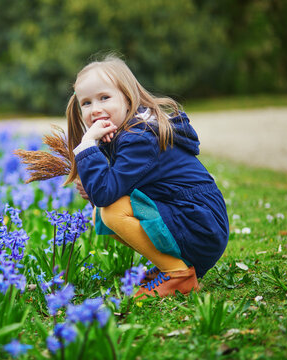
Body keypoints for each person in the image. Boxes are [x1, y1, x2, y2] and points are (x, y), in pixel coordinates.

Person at [64, 55, 229, 298]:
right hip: (194, 220)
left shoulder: (139, 138)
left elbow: (107, 195)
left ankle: (178, 274)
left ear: (128, 97)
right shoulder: (127, 131)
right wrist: (94, 185)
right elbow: (111, 190)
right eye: (86, 103)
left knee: (110, 211)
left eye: (104, 98)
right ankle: (169, 266)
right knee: (103, 211)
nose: (95, 108)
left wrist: (88, 144)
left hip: (200, 225)